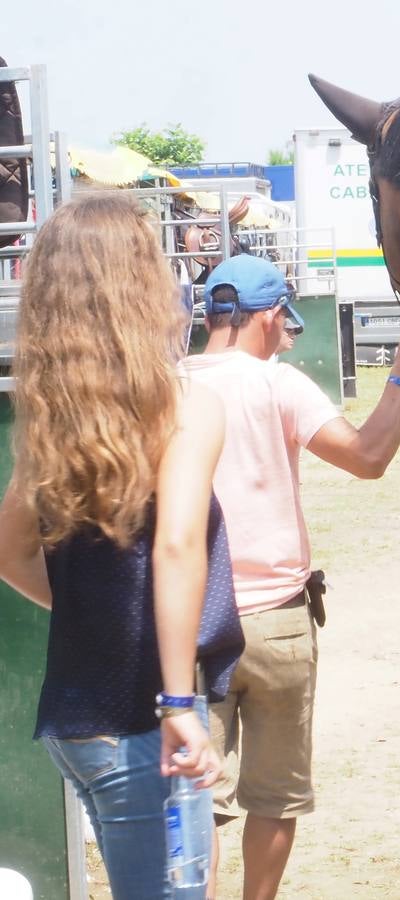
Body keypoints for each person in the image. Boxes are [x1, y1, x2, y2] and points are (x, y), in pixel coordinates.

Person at [0, 194, 241, 899]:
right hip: (143, 721)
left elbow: (9, 552)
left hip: (77, 721)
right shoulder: (184, 405)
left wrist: (88, 615)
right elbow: (175, 548)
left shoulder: (50, 417)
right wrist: (174, 705)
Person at [181, 253, 400, 900]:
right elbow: (369, 457)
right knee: (275, 797)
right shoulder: (280, 384)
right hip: (279, 625)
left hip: (190, 620)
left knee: (195, 799)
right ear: (267, 317)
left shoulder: (167, 385)